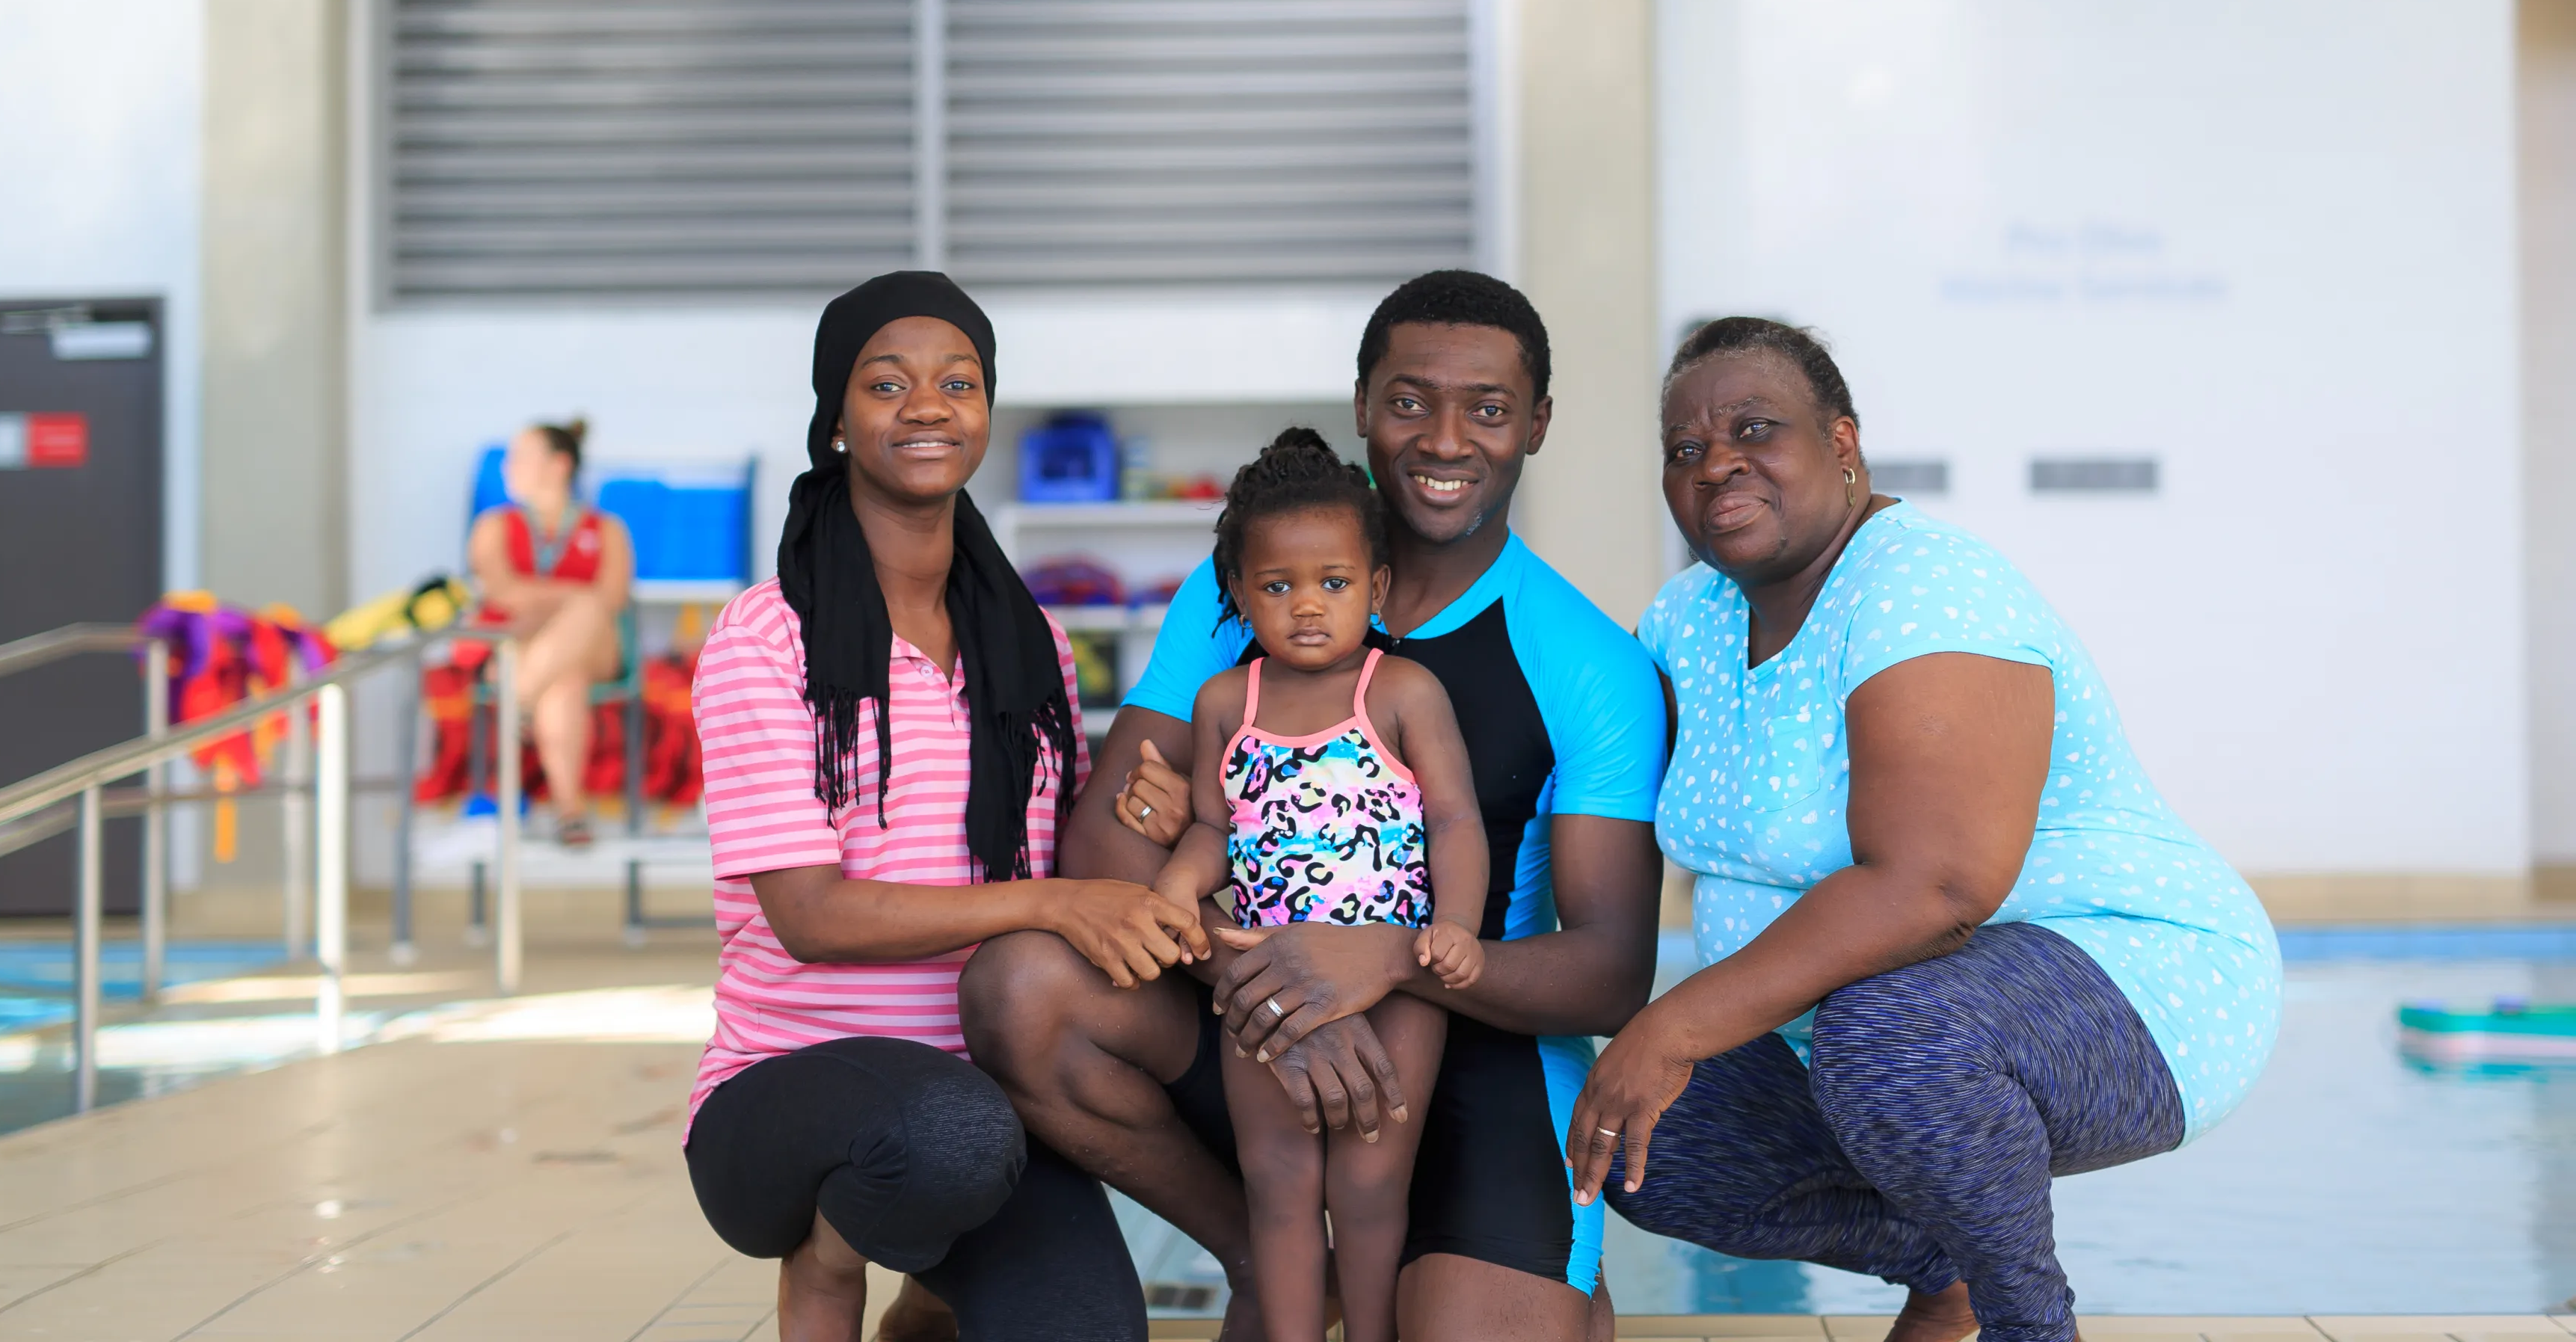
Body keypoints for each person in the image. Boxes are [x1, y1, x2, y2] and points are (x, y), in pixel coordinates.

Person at [959, 271, 1671, 1342]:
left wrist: (1384, 960)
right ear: (1361, 406)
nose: (1443, 439)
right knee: (1021, 985)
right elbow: (1105, 839)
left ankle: (1517, 1276)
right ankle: (1266, 1256)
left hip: (1476, 1044)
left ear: (1537, 423)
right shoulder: (1248, 588)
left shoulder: (1587, 664)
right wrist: (1271, 985)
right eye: (1407, 401)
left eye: (1485, 408)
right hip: (1244, 1011)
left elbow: (1612, 970)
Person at [1567, 317, 2282, 1342]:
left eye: (1755, 428)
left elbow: (1936, 888)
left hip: (2138, 982)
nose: (1717, 461)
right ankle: (1938, 1267)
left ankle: (2030, 1323)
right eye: (1686, 449)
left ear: (1843, 443)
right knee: (1638, 1135)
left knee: (1886, 1035)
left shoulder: (1926, 588)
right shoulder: (1687, 620)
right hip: (1851, 1030)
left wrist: (1672, 1025)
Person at [683, 271, 1208, 1342]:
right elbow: (812, 916)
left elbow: (1052, 861)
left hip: (992, 1098)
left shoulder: (1033, 647)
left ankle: (924, 1296)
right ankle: (832, 1256)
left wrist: (1148, 819)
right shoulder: (766, 639)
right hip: (785, 1096)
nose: (926, 405)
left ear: (983, 413)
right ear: (836, 423)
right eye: (888, 385)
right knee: (945, 1135)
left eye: (957, 383)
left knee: (1090, 1327)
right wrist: (1056, 902)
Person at [1148, 428, 1490, 1342]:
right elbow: (1217, 828)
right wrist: (1179, 887)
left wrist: (1454, 923)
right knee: (1281, 1183)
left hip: (1396, 984)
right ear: (1239, 594)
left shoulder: (1402, 691)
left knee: (1372, 1185)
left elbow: (1455, 818)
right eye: (1278, 586)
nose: (1308, 606)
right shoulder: (1229, 702)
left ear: (1375, 589)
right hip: (1263, 990)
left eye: (1333, 584)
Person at [467, 419, 633, 848]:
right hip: (525, 651)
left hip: (584, 648)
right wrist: (575, 597)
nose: (509, 467)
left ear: (559, 464)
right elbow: (501, 591)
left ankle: (519, 698)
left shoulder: (607, 528)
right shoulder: (493, 525)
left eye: (521, 456)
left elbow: (611, 598)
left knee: (590, 609)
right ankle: (570, 811)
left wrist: (551, 603)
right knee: (564, 681)